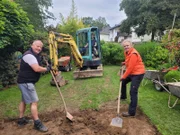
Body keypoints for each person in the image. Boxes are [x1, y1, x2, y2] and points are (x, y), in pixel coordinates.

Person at [17, 40, 51, 132]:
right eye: (37, 46)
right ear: (32, 45)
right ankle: (37, 123)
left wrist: (45, 65)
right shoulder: (29, 55)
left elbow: (36, 65)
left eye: (40, 47)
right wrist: (47, 69)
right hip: (26, 82)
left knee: (24, 100)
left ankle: (21, 120)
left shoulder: (33, 55)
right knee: (34, 102)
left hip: (23, 82)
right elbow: (36, 68)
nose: (39, 48)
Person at [120, 40, 145, 117]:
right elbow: (129, 61)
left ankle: (131, 112)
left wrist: (123, 76)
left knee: (133, 92)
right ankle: (123, 97)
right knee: (123, 82)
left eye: (127, 45)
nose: (126, 47)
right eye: (124, 46)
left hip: (138, 74)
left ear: (131, 45)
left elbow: (130, 68)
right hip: (132, 73)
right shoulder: (127, 52)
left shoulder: (134, 54)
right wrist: (125, 63)